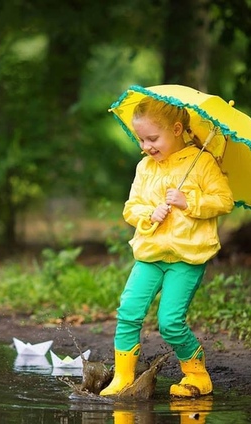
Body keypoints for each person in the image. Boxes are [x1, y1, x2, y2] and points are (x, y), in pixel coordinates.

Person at [100, 96, 234, 398]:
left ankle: (197, 374)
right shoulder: (145, 167)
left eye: (152, 138)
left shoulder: (202, 162)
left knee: (170, 322)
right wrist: (150, 213)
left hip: (187, 257)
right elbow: (130, 208)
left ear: (176, 129)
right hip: (151, 254)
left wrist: (190, 202)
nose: (146, 146)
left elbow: (225, 200)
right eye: (141, 139)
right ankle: (123, 377)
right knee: (129, 311)